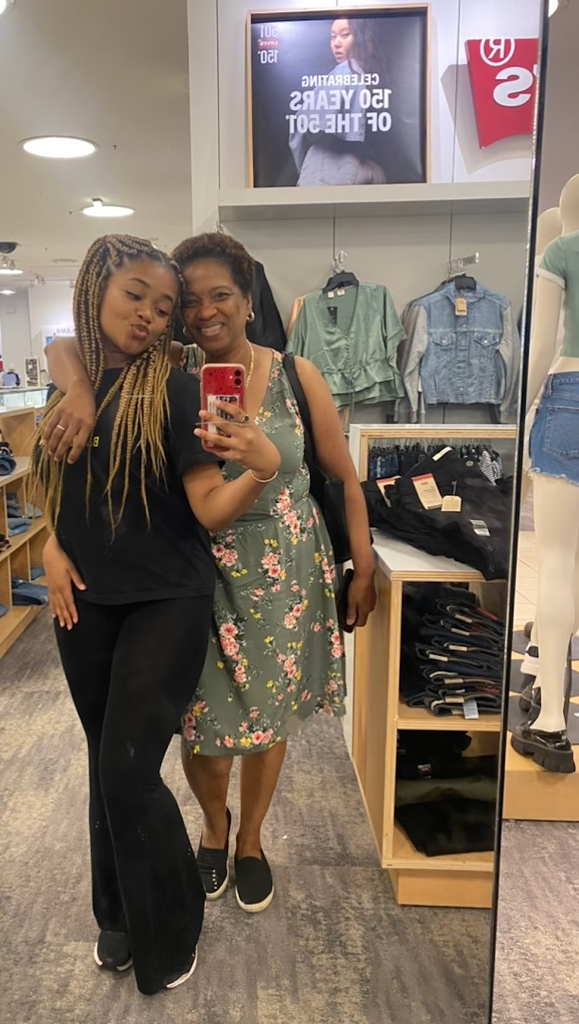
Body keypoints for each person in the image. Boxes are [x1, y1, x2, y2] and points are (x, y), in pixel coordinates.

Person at [43, 234, 375, 916]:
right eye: (186, 302)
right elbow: (66, 346)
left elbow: (342, 477)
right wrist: (74, 392)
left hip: (286, 569)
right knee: (203, 720)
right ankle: (213, 828)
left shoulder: (295, 375)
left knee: (268, 713)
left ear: (248, 301)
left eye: (218, 295)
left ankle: (251, 841)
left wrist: (361, 565)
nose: (201, 312)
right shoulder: (168, 365)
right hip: (193, 567)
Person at [31, 234, 282, 995]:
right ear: (95, 287)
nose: (148, 315)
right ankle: (118, 916)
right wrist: (48, 544)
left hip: (166, 598)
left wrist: (262, 471)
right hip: (86, 603)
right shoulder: (63, 382)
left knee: (128, 770)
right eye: (134, 294)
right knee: (101, 765)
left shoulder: (173, 386)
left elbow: (206, 505)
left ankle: (170, 928)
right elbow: (56, 481)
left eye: (162, 307)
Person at [290, 17, 386, 186]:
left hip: (327, 169)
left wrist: (301, 162)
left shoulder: (345, 71)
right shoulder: (373, 74)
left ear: (360, 37)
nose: (336, 43)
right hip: (371, 171)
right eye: (333, 37)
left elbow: (303, 123)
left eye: (345, 35)